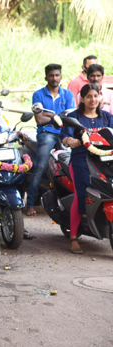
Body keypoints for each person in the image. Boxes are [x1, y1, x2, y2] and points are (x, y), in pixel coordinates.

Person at [60, 83, 113, 254]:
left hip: (105, 158)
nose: (93, 99)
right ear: (82, 98)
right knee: (81, 194)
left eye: (95, 96)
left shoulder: (106, 117)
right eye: (88, 96)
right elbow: (65, 137)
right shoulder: (75, 117)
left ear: (100, 97)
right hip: (81, 158)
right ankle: (74, 237)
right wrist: (71, 141)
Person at [26, 64, 75, 217]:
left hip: (64, 133)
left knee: (73, 165)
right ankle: (29, 204)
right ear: (46, 77)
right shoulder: (38, 95)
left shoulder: (67, 94)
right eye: (51, 75)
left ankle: (71, 205)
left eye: (57, 75)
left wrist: (51, 116)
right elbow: (39, 119)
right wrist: (55, 116)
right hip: (46, 133)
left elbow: (69, 117)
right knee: (40, 166)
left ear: (61, 76)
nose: (54, 78)